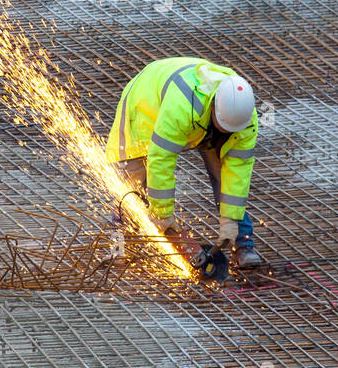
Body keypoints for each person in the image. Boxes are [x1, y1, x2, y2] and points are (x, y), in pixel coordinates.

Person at [106, 57, 262, 268]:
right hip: (145, 103)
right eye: (223, 126)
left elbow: (238, 173)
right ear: (215, 106)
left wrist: (230, 220)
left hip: (200, 119)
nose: (227, 132)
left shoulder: (244, 117)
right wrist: (162, 214)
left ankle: (242, 243)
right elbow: (161, 159)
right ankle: (118, 248)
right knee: (133, 185)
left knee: (225, 176)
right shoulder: (182, 107)